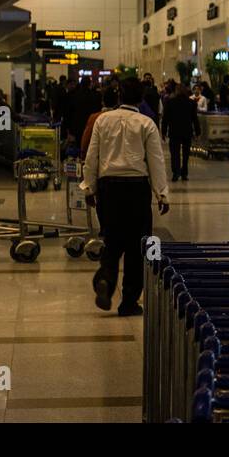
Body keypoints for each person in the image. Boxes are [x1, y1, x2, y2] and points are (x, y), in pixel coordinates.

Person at [83, 78, 168, 316]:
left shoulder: (103, 120)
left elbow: (92, 157)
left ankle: (107, 281)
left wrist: (89, 188)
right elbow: (156, 161)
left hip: (108, 188)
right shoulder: (146, 123)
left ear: (119, 96)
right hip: (136, 188)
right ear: (141, 98)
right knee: (136, 246)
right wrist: (162, 194)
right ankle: (129, 301)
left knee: (112, 240)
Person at [162, 81, 202, 182]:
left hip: (174, 131)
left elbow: (165, 118)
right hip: (186, 131)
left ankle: (176, 173)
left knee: (174, 153)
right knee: (185, 154)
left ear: (176, 91)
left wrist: (163, 131)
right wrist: (198, 132)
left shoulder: (170, 102)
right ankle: (184, 173)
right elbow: (195, 119)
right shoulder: (191, 103)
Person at [81, 86, 121, 158]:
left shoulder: (94, 117)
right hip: (117, 157)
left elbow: (86, 141)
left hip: (100, 157)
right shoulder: (121, 118)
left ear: (102, 102)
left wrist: (83, 155)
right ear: (117, 102)